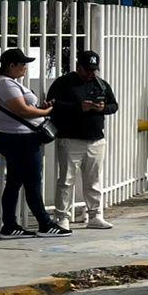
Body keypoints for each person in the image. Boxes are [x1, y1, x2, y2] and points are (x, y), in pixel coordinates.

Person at [0, 48, 69, 237]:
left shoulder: (7, 83)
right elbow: (22, 111)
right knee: (32, 182)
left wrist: (39, 109)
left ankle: (9, 225)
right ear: (11, 65)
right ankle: (45, 224)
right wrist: (46, 112)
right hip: (20, 139)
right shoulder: (5, 84)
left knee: (15, 182)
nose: (25, 67)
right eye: (22, 64)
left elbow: (23, 109)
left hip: (17, 137)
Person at [45, 49, 119, 230]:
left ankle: (95, 214)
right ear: (78, 67)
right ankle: (62, 216)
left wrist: (102, 108)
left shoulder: (100, 84)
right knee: (66, 180)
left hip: (95, 139)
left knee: (93, 180)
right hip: (70, 139)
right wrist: (79, 107)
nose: (91, 73)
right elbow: (51, 105)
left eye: (94, 70)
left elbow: (114, 105)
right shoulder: (64, 83)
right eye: (87, 69)